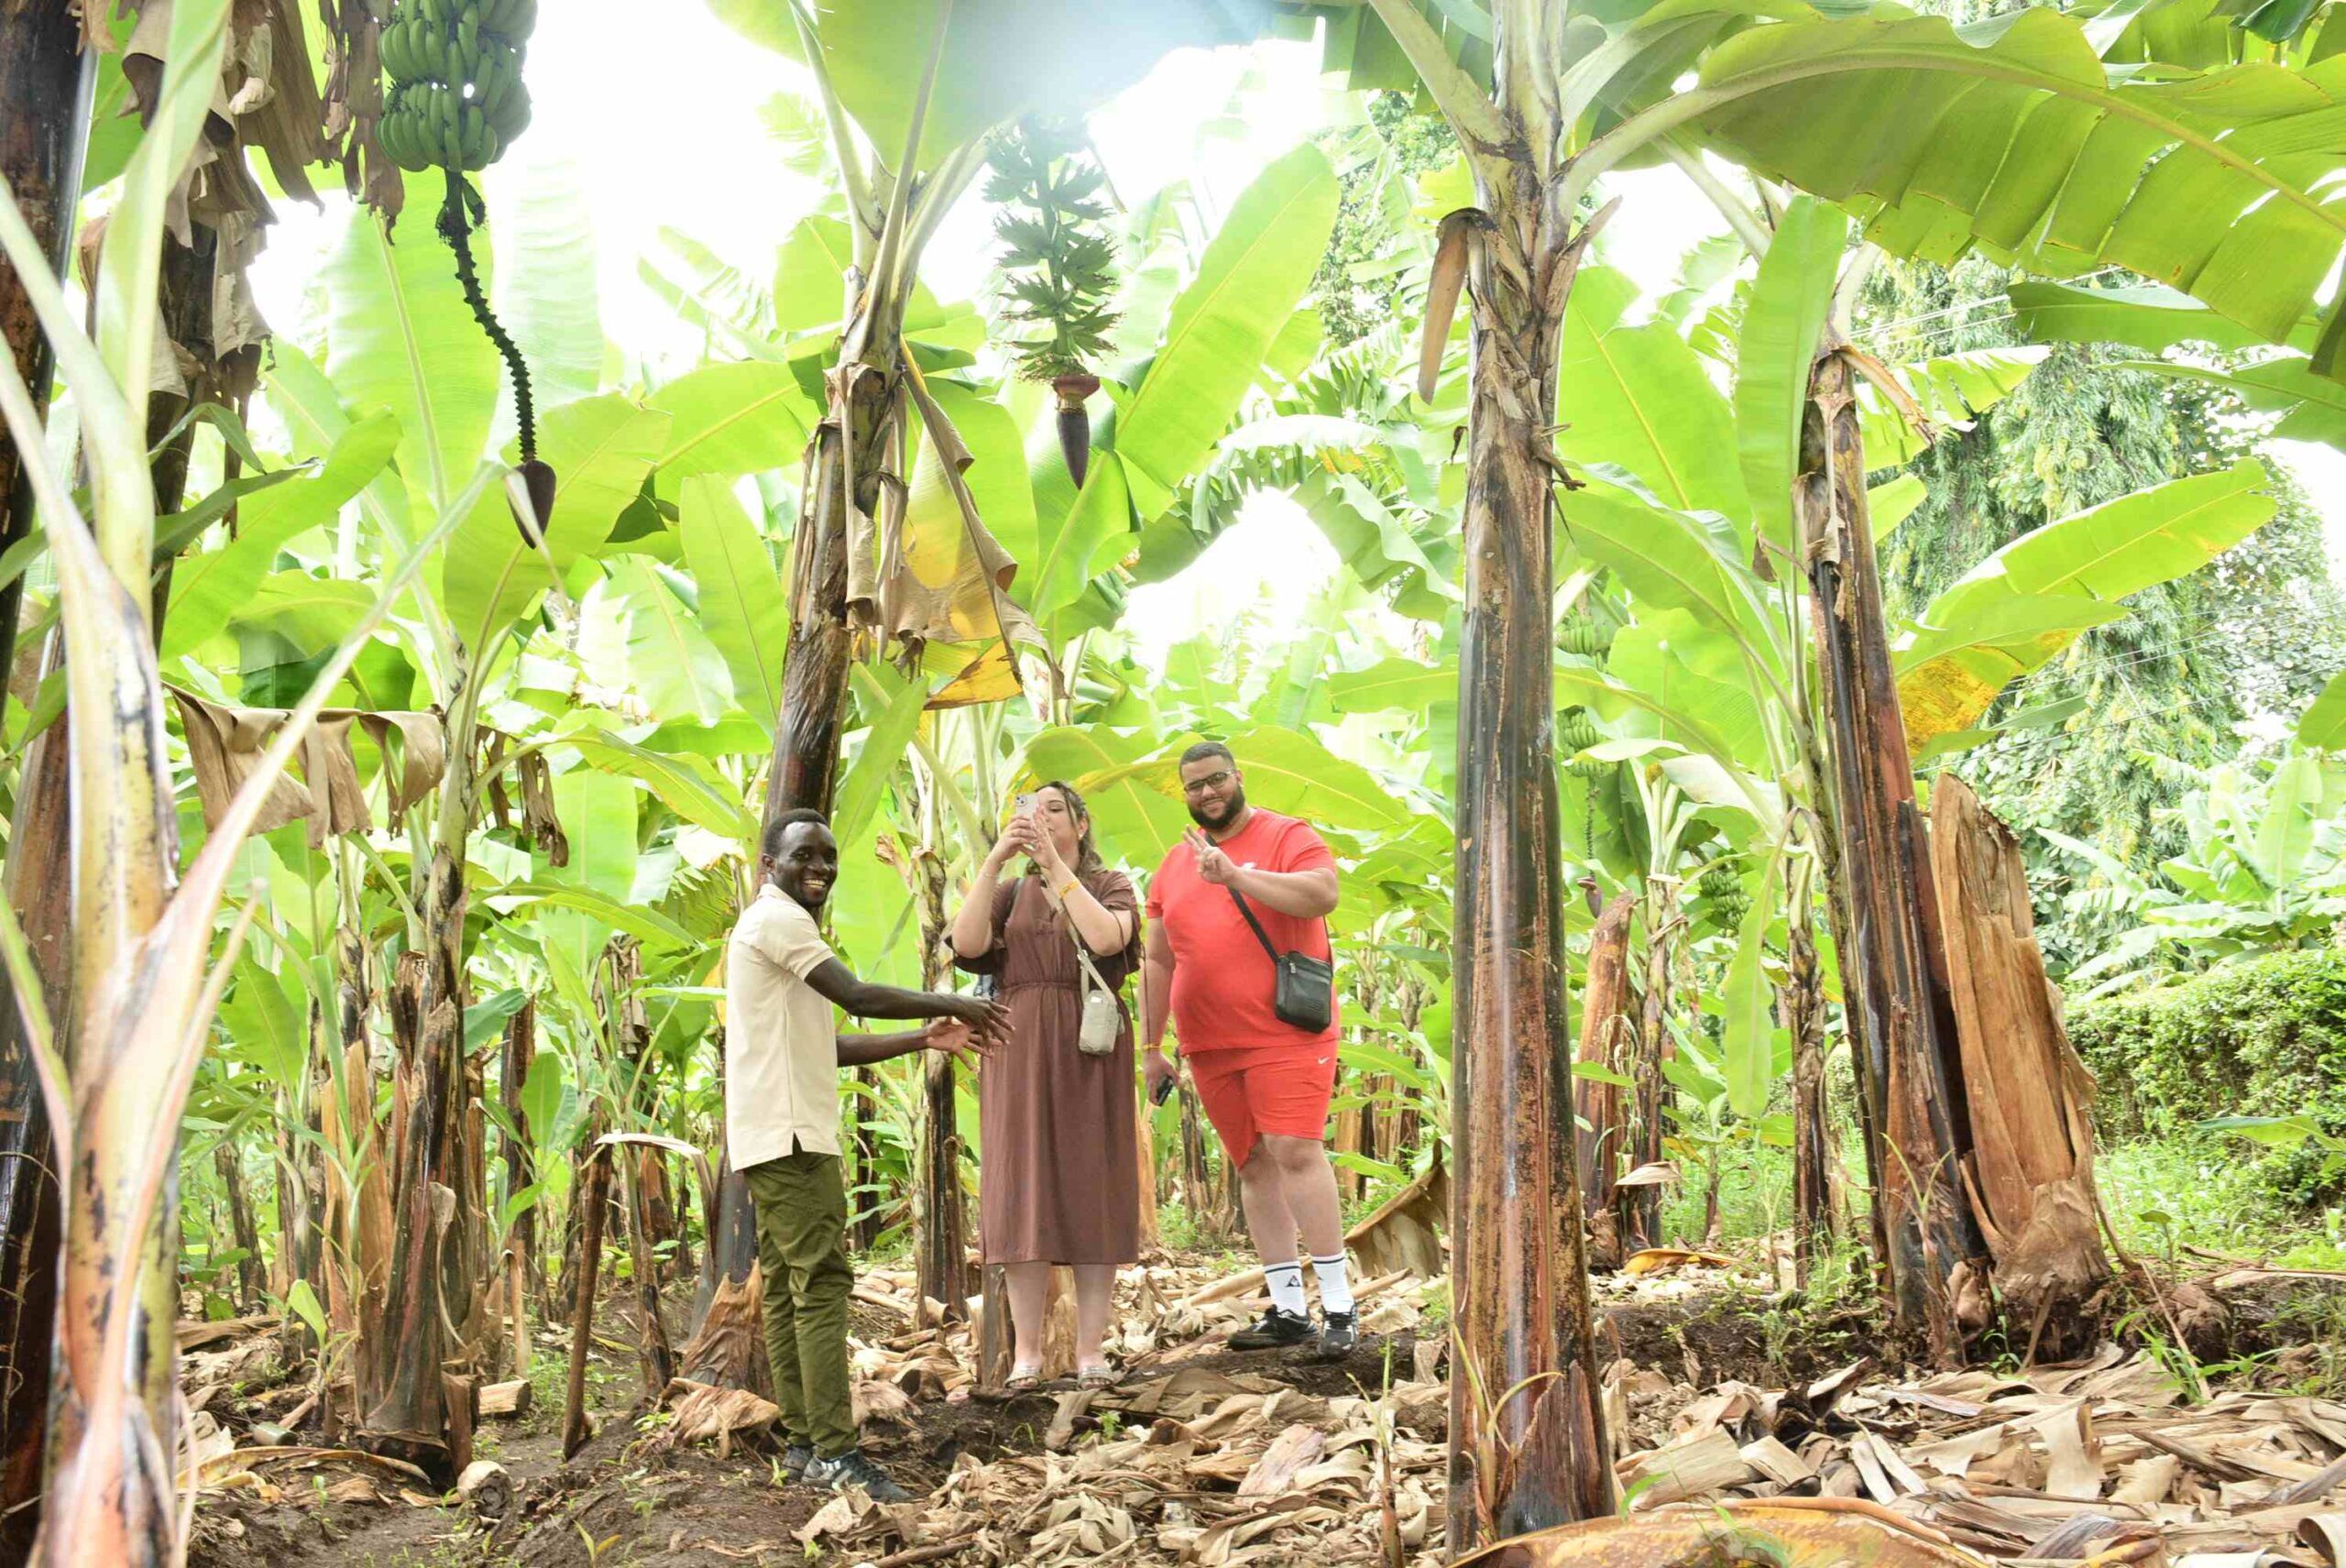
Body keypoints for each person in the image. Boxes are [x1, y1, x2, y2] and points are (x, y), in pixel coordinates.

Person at [727, 807, 1008, 1501]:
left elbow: (827, 1044)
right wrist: (954, 1000)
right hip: (792, 1135)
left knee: (791, 1287)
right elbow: (855, 995)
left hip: (772, 1131)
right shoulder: (780, 920)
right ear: (769, 864)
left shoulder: (773, 928)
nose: (820, 867)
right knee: (821, 1284)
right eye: (804, 855)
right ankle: (835, 1452)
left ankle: (805, 1443)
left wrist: (923, 1036)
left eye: (828, 856)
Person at [1142, 741, 1354, 1357]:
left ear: (1238, 777)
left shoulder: (1288, 835)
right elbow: (1157, 959)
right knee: (1253, 1163)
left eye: (1216, 780)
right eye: (1194, 786)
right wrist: (1152, 1045)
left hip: (1286, 1031)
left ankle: (1339, 1305)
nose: (1207, 792)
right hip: (1210, 1042)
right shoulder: (1173, 864)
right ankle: (1289, 1310)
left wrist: (1235, 875)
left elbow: (1322, 894)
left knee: (1295, 1149)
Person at [948, 782, 1143, 1392]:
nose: (1041, 818)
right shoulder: (1010, 893)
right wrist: (993, 860)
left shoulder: (1110, 883)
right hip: (1018, 1043)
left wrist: (1056, 866)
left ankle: (1090, 1351)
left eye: (1055, 809)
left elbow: (1107, 938)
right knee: (1022, 1190)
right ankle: (1028, 1355)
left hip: (1089, 1044)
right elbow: (967, 943)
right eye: (1030, 810)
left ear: (1082, 824)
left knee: (1093, 1185)